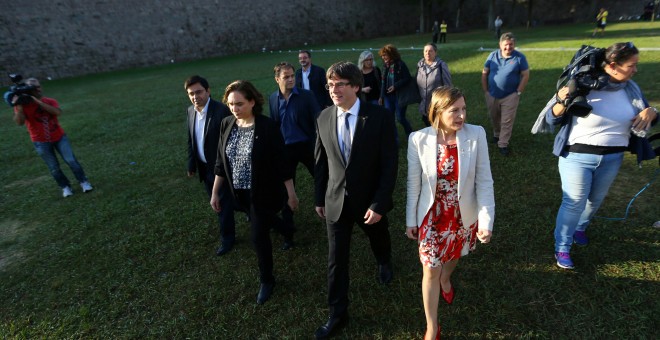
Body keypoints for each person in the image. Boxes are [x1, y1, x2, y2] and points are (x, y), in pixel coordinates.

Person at [540, 42, 657, 270]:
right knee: (574, 202)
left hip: (613, 157)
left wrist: (652, 111)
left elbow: (646, 113)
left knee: (595, 201)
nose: (635, 70)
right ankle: (562, 246)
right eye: (631, 65)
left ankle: (580, 227)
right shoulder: (583, 83)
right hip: (577, 156)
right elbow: (551, 118)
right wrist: (562, 101)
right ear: (613, 65)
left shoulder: (630, 88)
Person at [314, 61, 398, 339]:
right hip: (335, 200)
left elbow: (389, 164)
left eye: (340, 84)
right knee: (336, 260)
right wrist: (319, 197)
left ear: (356, 87)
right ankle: (337, 313)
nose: (333, 90)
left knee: (378, 236)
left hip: (369, 200)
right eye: (330, 85)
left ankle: (384, 261)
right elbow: (322, 163)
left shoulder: (380, 117)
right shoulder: (323, 117)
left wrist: (380, 203)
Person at [406, 86, 494, 340]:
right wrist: (411, 219)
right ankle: (432, 327)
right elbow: (414, 183)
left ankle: (447, 277)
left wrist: (486, 221)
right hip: (432, 217)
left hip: (462, 215)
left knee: (454, 256)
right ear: (438, 111)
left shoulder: (476, 135)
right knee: (430, 269)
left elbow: (484, 181)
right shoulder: (418, 139)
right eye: (454, 110)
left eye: (464, 109)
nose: (462, 116)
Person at [210, 80, 299, 304]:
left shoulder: (267, 127)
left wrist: (291, 193)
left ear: (252, 102)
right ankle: (287, 228)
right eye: (230, 104)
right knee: (267, 221)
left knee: (258, 236)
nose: (234, 109)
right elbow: (221, 162)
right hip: (239, 193)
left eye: (239, 104)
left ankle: (267, 280)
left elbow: (282, 163)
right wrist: (215, 193)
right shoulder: (226, 124)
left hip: (264, 192)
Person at [11, 77, 93, 197]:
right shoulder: (22, 105)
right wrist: (19, 108)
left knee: (71, 161)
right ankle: (65, 187)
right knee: (53, 167)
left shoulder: (49, 101)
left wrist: (37, 102)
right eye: (34, 88)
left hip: (59, 137)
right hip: (40, 141)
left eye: (39, 86)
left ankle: (84, 182)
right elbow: (19, 122)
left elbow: (57, 112)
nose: (38, 89)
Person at [268, 62, 320, 249]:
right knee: (286, 191)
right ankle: (288, 234)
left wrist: (319, 144)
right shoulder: (273, 98)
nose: (291, 79)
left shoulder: (306, 96)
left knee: (323, 178)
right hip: (285, 150)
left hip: (307, 146)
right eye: (286, 77)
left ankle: (335, 214)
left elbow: (318, 119)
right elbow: (274, 124)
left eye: (292, 76)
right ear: (277, 79)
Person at [185, 75, 236, 256]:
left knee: (220, 203)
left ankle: (228, 238)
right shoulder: (191, 111)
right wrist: (192, 163)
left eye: (199, 92)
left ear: (208, 91)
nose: (195, 96)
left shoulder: (221, 111)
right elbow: (191, 140)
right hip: (204, 167)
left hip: (222, 168)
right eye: (191, 93)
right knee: (223, 201)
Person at [481, 32, 530, 156]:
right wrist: (486, 91)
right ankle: (497, 135)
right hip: (492, 94)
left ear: (514, 45)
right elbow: (484, 73)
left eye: (511, 45)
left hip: (510, 95)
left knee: (506, 121)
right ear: (500, 44)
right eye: (506, 45)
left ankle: (503, 144)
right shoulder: (492, 56)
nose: (508, 48)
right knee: (494, 117)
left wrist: (518, 92)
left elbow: (525, 75)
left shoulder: (519, 58)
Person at [379, 44, 415, 143]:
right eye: (382, 56)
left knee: (400, 117)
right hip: (387, 97)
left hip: (399, 96)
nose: (383, 57)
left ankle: (410, 133)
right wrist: (381, 96)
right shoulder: (385, 66)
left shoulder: (400, 65)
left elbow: (407, 78)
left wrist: (395, 86)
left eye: (385, 55)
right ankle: (395, 139)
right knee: (390, 118)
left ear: (392, 54)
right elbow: (383, 82)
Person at [416, 43, 452, 127]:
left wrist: (447, 101)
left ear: (435, 53)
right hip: (424, 104)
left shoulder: (441, 65)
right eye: (426, 51)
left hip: (437, 104)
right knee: (427, 124)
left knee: (438, 126)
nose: (427, 53)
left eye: (430, 51)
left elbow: (448, 85)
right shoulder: (420, 66)